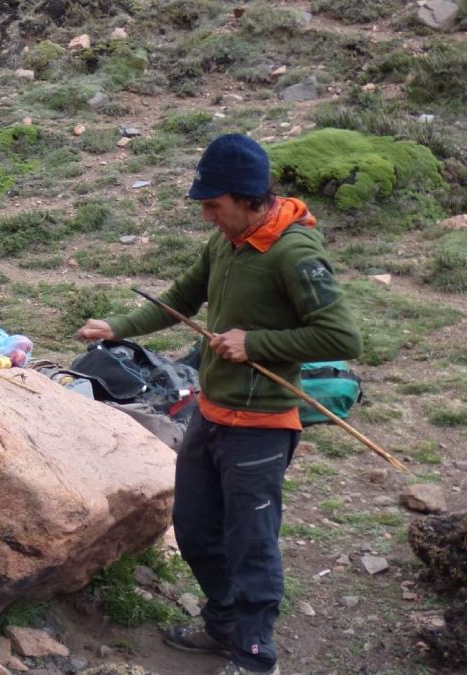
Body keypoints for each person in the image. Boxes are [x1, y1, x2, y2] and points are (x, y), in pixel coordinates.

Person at [75, 134, 361, 675]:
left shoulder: (293, 253)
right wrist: (117, 328)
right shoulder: (226, 244)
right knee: (195, 525)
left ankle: (256, 656)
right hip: (211, 411)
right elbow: (181, 300)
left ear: (249, 197)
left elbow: (343, 338)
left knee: (251, 542)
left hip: (262, 423)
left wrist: (255, 344)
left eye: (214, 204)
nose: (207, 215)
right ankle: (222, 627)